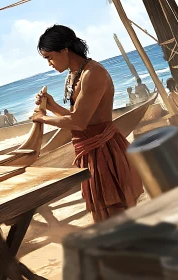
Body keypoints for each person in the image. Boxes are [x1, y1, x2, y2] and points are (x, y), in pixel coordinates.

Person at [33, 25, 143, 222]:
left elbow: (79, 123)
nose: (49, 63)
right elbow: (80, 117)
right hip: (91, 153)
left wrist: (42, 118)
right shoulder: (74, 75)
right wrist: (51, 106)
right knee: (104, 218)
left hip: (106, 152)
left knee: (119, 216)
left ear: (64, 50)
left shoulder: (93, 73)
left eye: (49, 57)